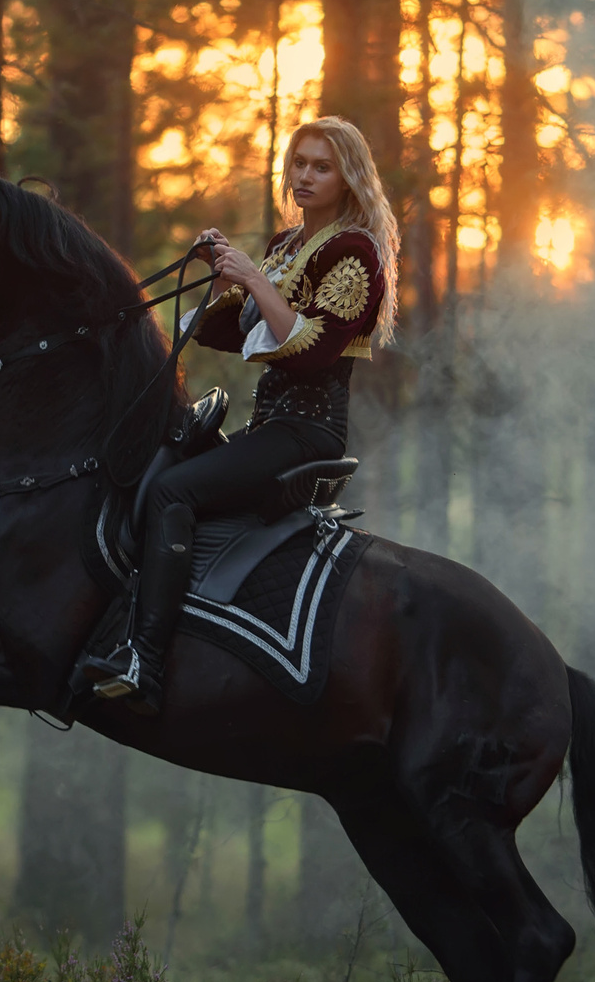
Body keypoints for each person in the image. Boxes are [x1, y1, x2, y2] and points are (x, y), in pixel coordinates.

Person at [79, 115, 398, 715]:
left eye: (322, 167)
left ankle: (144, 660)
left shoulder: (356, 252)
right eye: (299, 163)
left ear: (349, 177)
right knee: (161, 459)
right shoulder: (286, 246)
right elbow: (225, 331)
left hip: (309, 431)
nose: (305, 176)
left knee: (174, 491)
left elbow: (312, 349)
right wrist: (220, 269)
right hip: (270, 425)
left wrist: (253, 277)